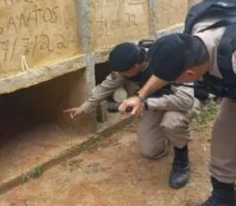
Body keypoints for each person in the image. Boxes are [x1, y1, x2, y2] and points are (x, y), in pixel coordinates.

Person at [118, 0, 236, 205]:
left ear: (189, 75)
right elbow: (169, 68)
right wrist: (140, 96)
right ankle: (223, 196)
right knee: (223, 134)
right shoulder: (194, 33)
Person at [64, 42, 198, 189]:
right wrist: (84, 108)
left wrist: (145, 104)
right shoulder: (130, 65)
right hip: (154, 101)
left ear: (135, 66)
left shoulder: (168, 61)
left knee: (172, 122)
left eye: (123, 72)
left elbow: (186, 101)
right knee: (150, 151)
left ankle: (181, 159)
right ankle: (167, 136)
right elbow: (106, 86)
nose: (120, 75)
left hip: (183, 100)